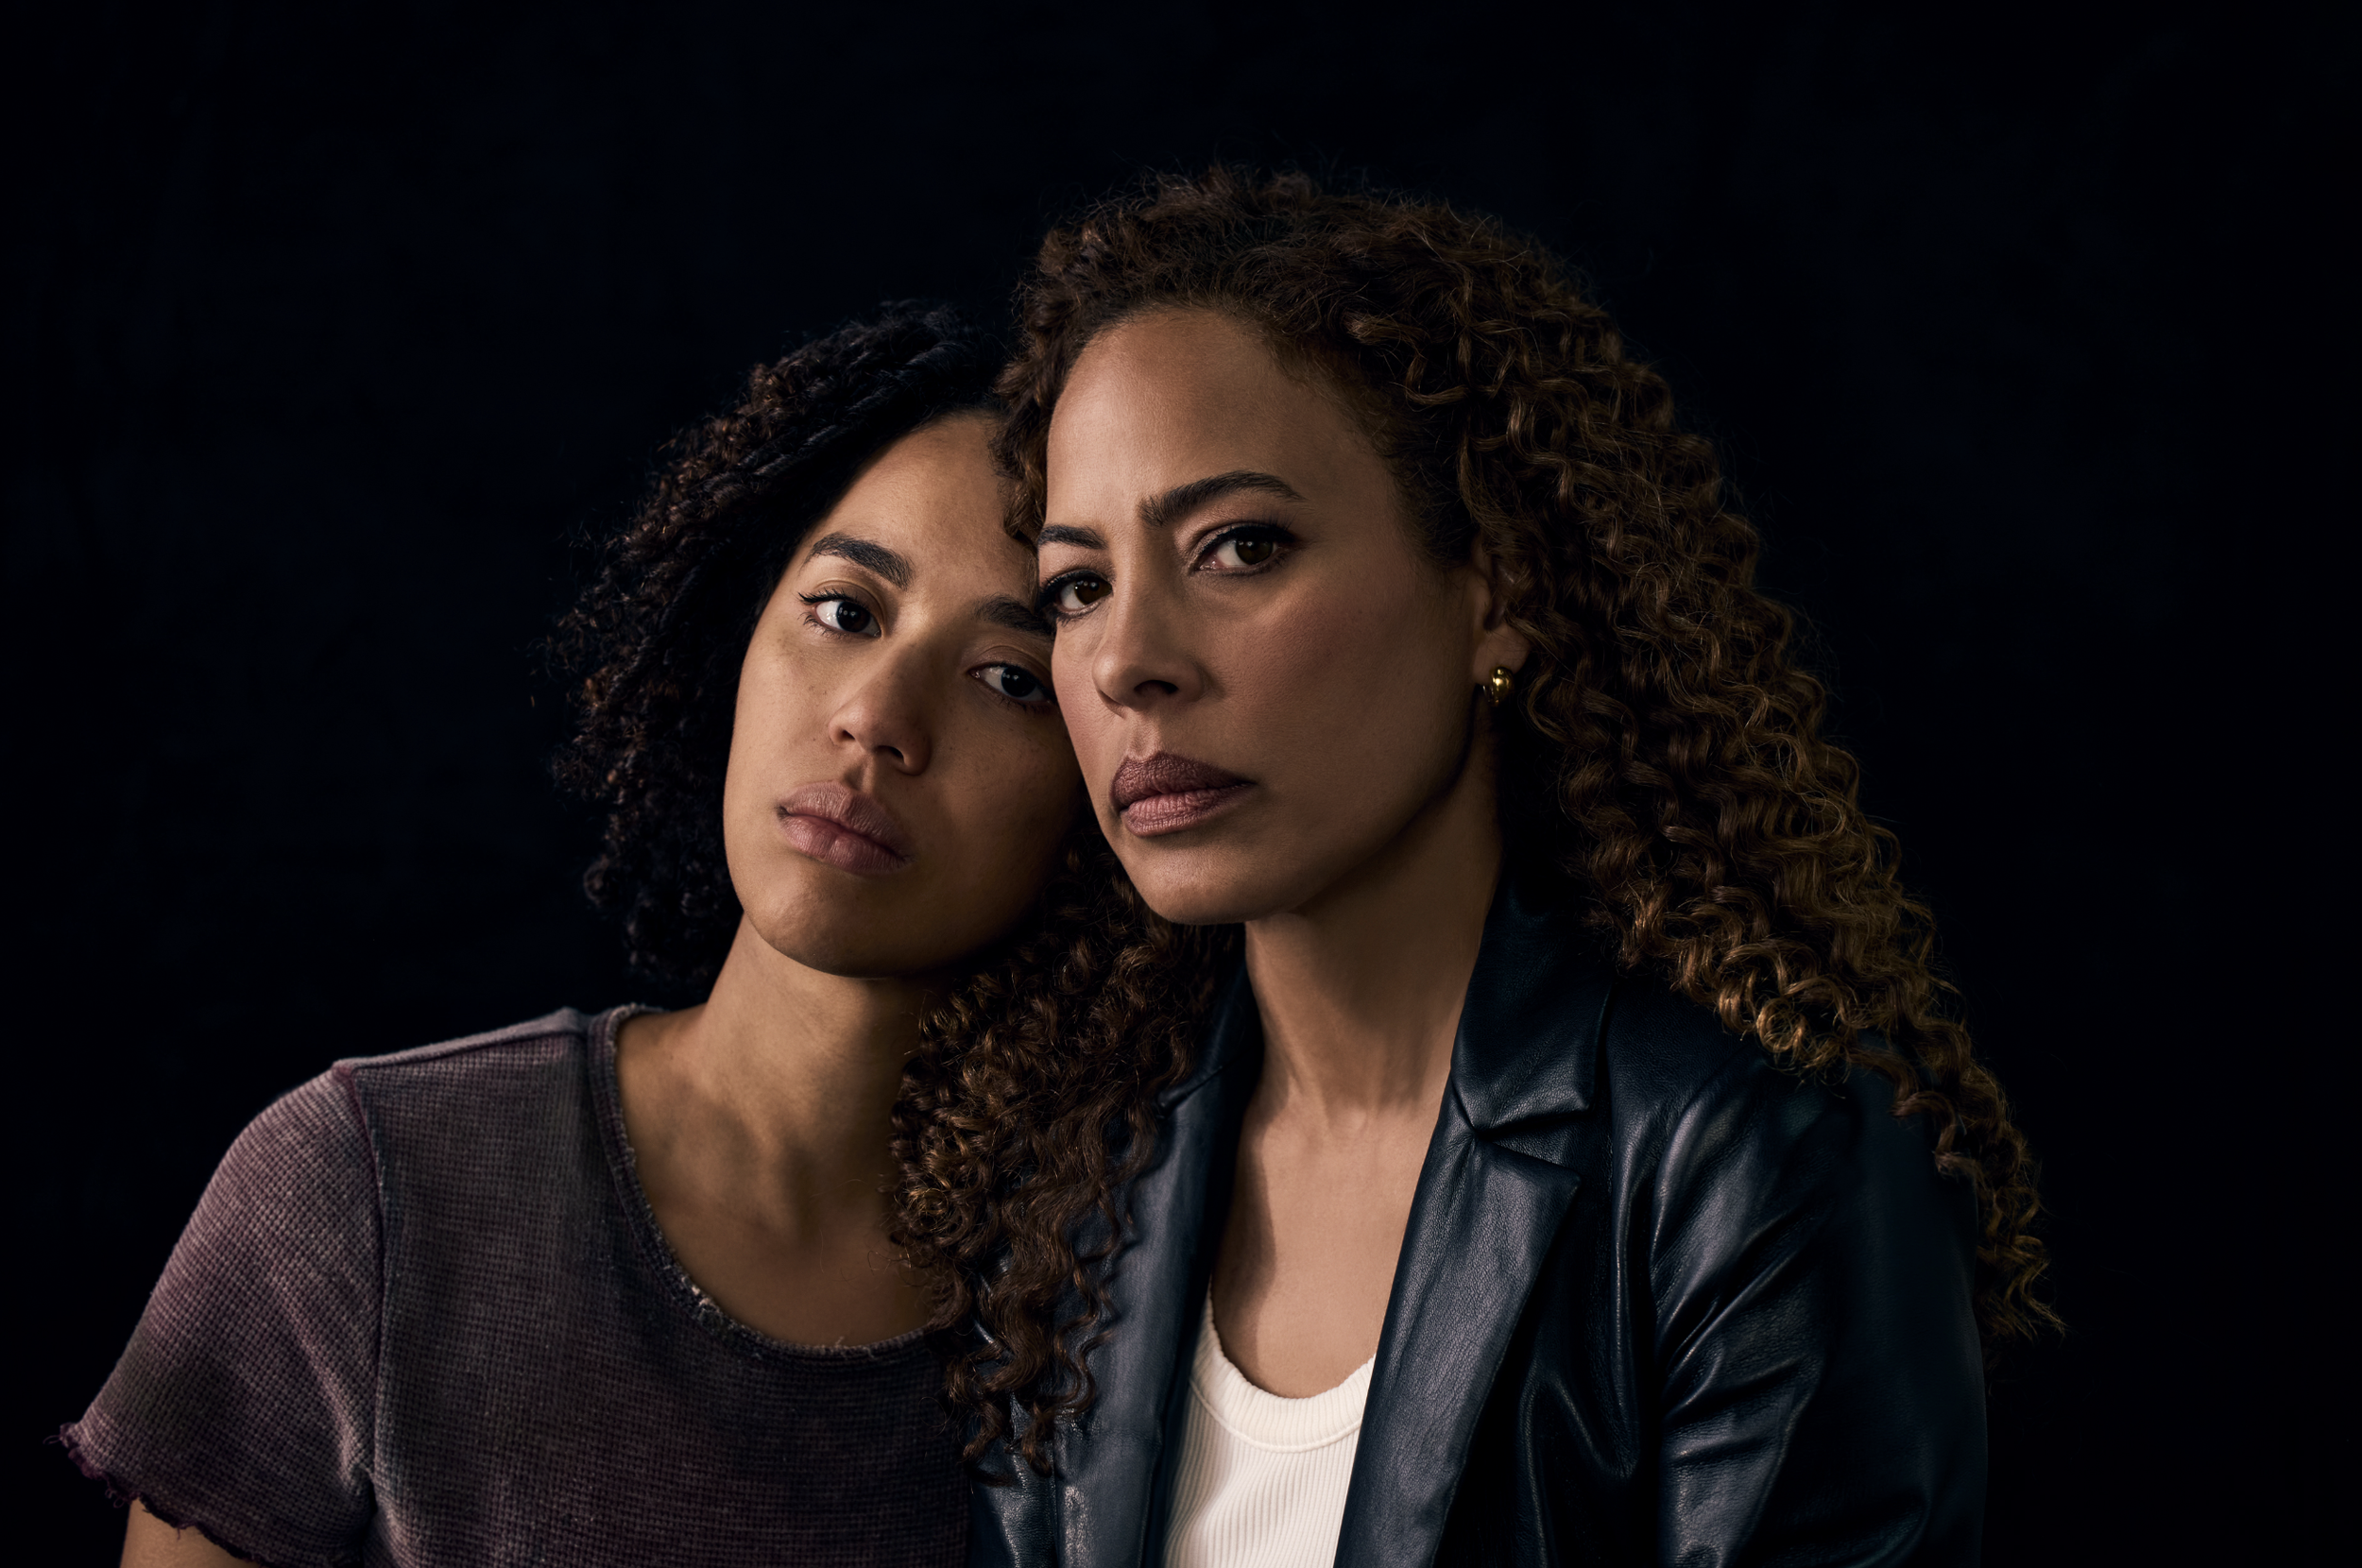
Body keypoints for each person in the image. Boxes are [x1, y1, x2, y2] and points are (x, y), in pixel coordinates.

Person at [894, 172, 2054, 1567]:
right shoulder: (1083, 1182)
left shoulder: (1756, 1165)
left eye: (1240, 548)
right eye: (1078, 588)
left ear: (1497, 591)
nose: (1128, 660)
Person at [64, 305, 1083, 1567]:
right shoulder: (366, 1189)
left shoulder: (1117, 1304)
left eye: (1012, 678)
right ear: (741, 633)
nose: (876, 716)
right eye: (843, 611)